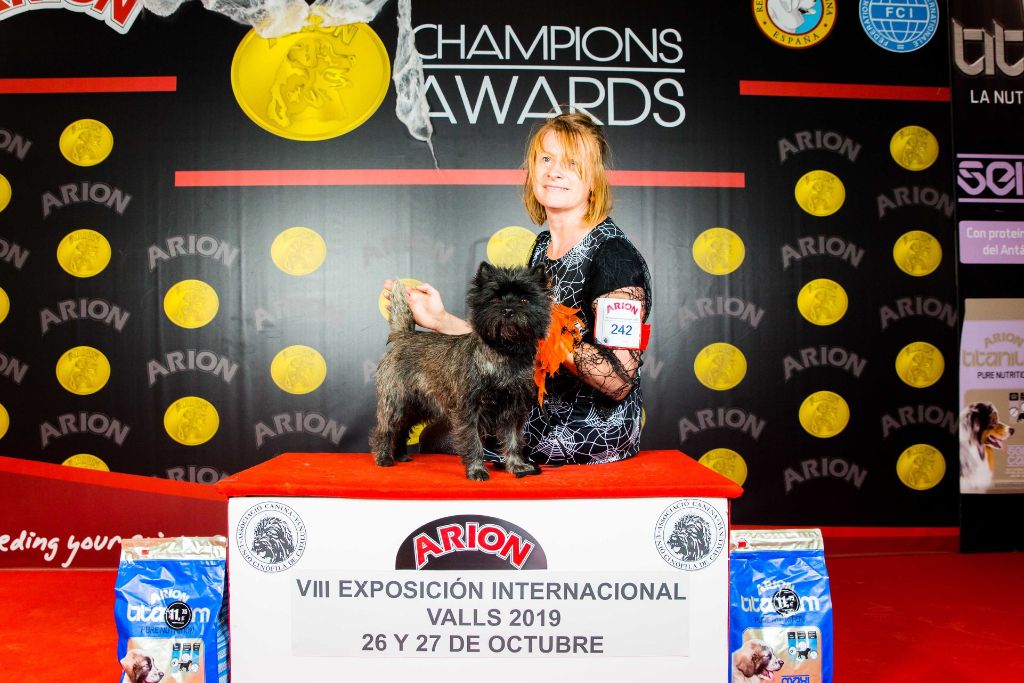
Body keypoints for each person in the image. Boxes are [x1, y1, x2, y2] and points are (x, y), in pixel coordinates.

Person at [385, 111, 652, 466]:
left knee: (447, 438)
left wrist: (551, 338)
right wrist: (441, 320)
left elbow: (618, 379)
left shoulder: (614, 257)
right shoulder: (542, 247)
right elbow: (512, 341)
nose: (554, 171)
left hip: (591, 429)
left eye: (572, 163)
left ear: (594, 178)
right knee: (444, 432)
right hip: (531, 408)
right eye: (546, 159)